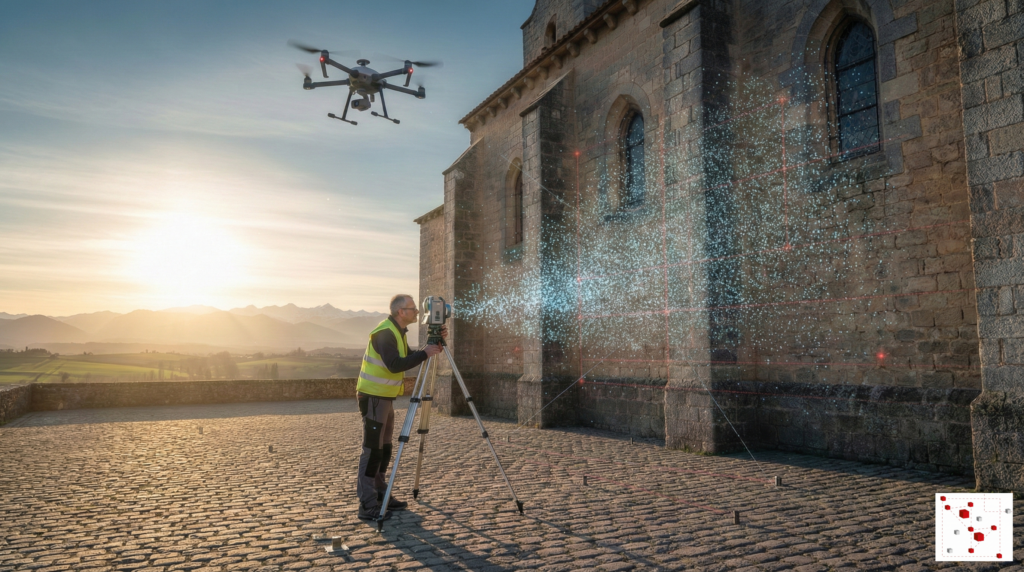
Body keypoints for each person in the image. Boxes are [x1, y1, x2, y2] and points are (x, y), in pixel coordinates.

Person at [355, 294, 446, 521]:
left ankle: (381, 494)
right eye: (412, 309)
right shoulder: (385, 333)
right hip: (374, 397)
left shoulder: (397, 331)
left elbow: (405, 357)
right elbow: (395, 365)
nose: (417, 312)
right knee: (372, 450)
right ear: (400, 312)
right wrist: (426, 353)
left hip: (384, 398)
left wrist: (429, 348)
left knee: (384, 449)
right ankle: (367, 505)